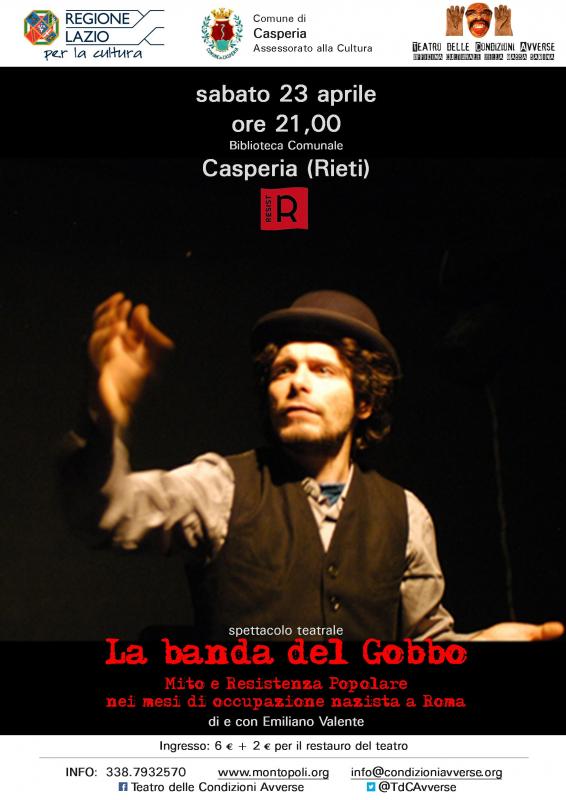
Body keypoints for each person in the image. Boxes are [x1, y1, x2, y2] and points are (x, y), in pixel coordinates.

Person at [66, 289, 563, 642]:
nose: (296, 382)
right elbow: (106, 512)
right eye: (284, 369)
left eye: (322, 369)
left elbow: (425, 645)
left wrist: (482, 644)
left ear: (364, 401)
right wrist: (103, 415)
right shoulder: (222, 486)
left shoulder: (406, 514)